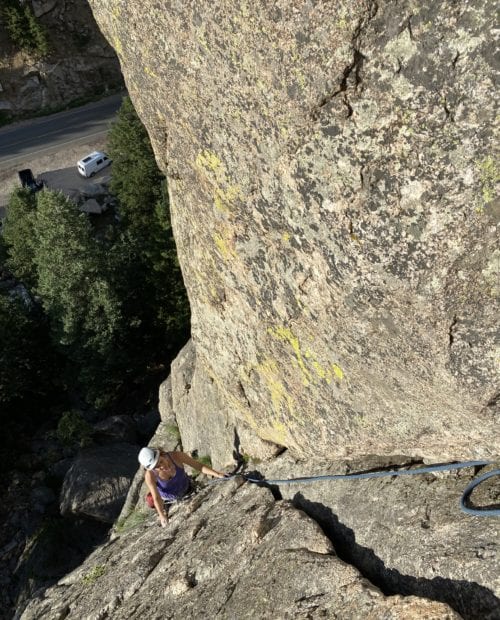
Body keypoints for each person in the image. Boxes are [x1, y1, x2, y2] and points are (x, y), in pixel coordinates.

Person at [138, 447, 226, 527]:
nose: (161, 466)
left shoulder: (176, 456)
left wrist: (217, 474)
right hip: (168, 500)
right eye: (156, 467)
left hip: (187, 487)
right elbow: (156, 497)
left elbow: (199, 466)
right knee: (151, 500)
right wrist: (162, 515)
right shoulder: (150, 475)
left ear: (162, 454)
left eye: (160, 461)